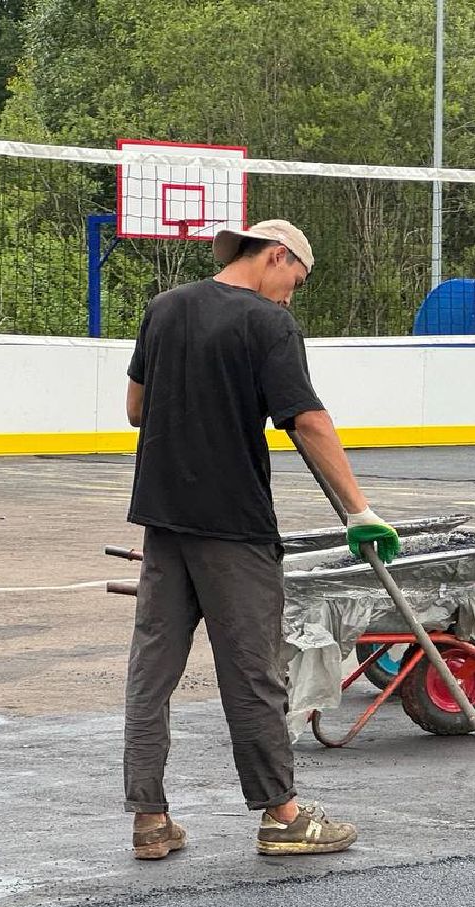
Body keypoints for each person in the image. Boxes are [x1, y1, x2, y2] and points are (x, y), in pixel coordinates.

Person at [122, 219, 400, 859]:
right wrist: (358, 511)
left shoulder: (164, 309)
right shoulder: (268, 324)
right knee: (252, 674)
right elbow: (307, 420)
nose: (289, 297)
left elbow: (137, 410)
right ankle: (283, 817)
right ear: (276, 257)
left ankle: (149, 820)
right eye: (293, 283)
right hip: (233, 528)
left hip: (163, 522)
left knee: (151, 674)